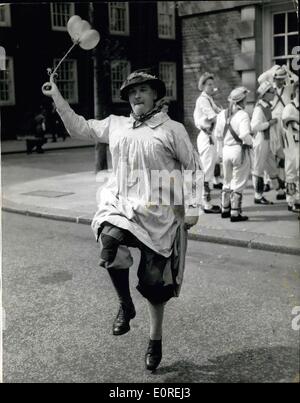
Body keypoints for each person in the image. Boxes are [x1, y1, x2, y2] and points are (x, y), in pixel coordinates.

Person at [42, 70, 200, 371]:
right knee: (110, 239)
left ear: (156, 95)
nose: (136, 96)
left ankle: (155, 341)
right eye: (131, 92)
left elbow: (193, 166)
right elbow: (80, 128)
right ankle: (126, 306)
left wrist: (192, 208)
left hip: (160, 214)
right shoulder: (116, 124)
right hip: (123, 205)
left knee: (155, 287)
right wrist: (57, 97)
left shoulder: (172, 129)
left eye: (142, 90)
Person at [258, 65, 299, 197]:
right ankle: (269, 181)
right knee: (272, 151)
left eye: (282, 78)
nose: (280, 81)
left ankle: (284, 180)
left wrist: (287, 71)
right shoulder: (271, 89)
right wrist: (273, 70)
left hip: (286, 123)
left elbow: (297, 79)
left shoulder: (288, 89)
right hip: (273, 123)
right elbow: (260, 79)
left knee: (286, 151)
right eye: (278, 78)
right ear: (274, 79)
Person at [215, 87, 253, 222]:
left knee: (227, 180)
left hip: (226, 151)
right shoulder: (243, 115)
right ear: (241, 101)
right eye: (245, 100)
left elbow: (218, 136)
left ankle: (225, 209)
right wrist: (252, 143)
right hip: (239, 150)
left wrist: (219, 152)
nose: (246, 102)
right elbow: (244, 135)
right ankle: (235, 213)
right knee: (238, 181)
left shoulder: (222, 114)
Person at [251, 81, 286, 204]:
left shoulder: (266, 106)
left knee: (271, 166)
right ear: (265, 94)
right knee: (258, 168)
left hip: (267, 140)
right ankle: (258, 195)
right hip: (261, 140)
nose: (274, 93)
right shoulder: (259, 108)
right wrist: (269, 124)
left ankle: (280, 191)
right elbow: (254, 126)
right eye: (272, 92)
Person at [193, 72, 222, 213]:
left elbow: (218, 112)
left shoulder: (209, 99)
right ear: (203, 85)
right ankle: (206, 203)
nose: (212, 86)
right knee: (207, 171)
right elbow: (213, 116)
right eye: (209, 84)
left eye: (212, 84)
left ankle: (205, 201)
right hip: (207, 136)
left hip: (210, 136)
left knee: (208, 169)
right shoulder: (203, 100)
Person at [282, 81, 300, 213]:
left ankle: (298, 199)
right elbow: (291, 124)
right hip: (292, 145)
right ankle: (291, 200)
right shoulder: (290, 107)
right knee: (291, 173)